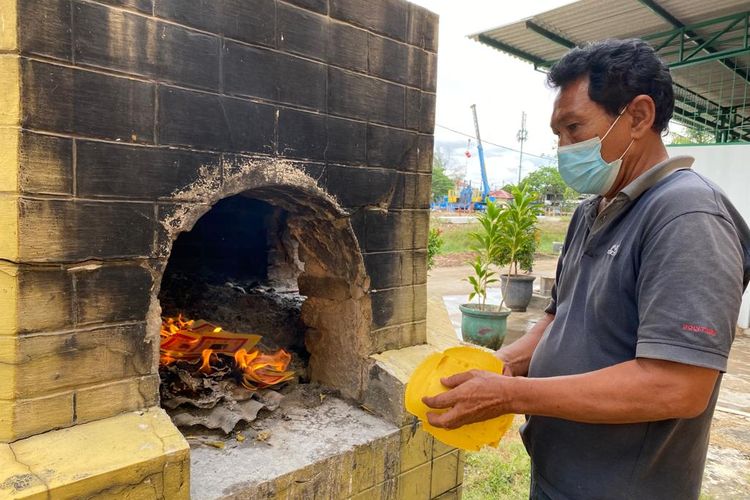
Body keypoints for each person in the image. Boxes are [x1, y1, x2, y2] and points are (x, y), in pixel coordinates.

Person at [423, 38, 750, 499]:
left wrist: (513, 395)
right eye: (557, 134)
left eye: (574, 128)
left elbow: (678, 385)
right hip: (560, 476)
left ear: (638, 116)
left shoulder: (687, 216)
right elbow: (561, 315)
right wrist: (501, 363)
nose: (563, 148)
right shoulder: (591, 212)